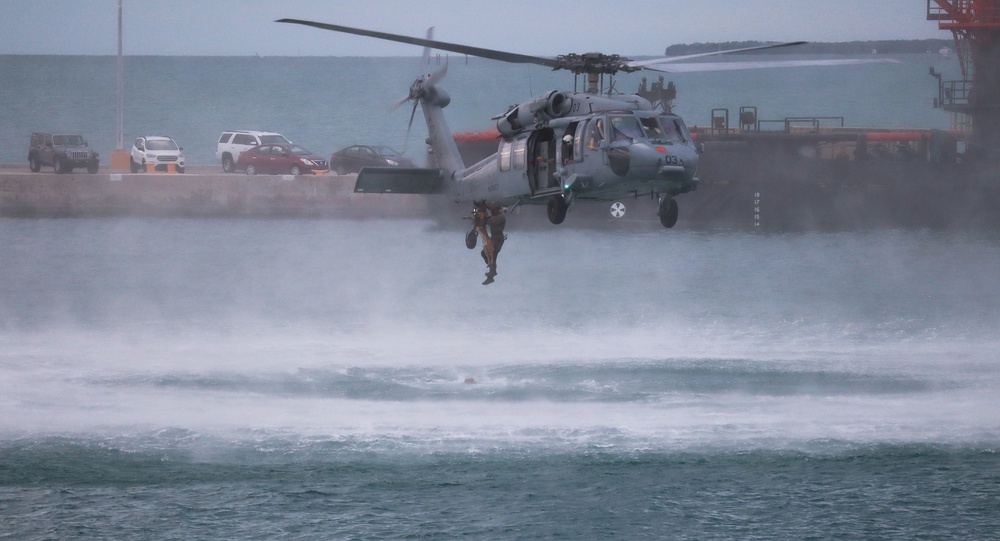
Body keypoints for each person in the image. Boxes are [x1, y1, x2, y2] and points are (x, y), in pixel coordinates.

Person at [481, 202, 507, 284]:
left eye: (493, 210)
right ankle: (491, 267)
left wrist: (484, 218)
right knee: (484, 253)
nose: (492, 212)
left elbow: (492, 222)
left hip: (498, 238)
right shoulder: (493, 217)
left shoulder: (501, 217)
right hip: (493, 238)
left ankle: (492, 274)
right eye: (491, 210)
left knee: (493, 254)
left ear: (497, 210)